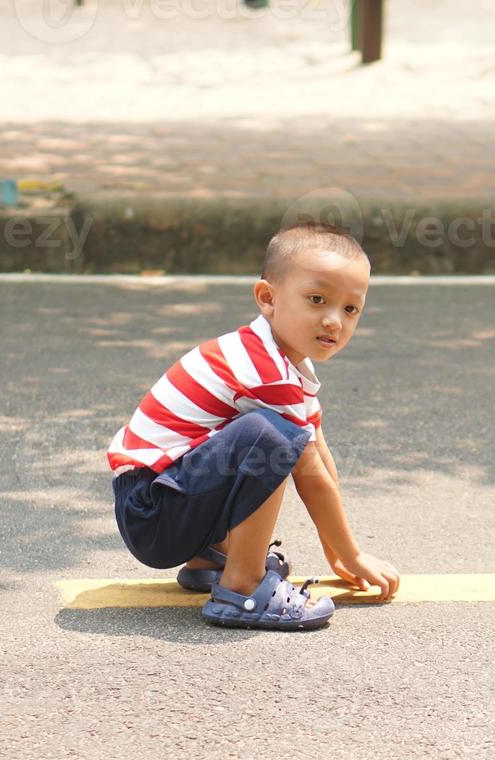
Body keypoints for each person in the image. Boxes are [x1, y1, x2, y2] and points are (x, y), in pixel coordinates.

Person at [106, 222, 400, 631]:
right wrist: (351, 555)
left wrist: (336, 551)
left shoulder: (287, 364)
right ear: (267, 298)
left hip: (167, 503)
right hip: (150, 511)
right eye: (317, 300)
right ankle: (242, 587)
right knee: (271, 437)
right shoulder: (262, 368)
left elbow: (318, 448)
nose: (334, 320)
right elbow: (308, 471)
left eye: (350, 309)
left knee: (282, 436)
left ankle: (210, 557)